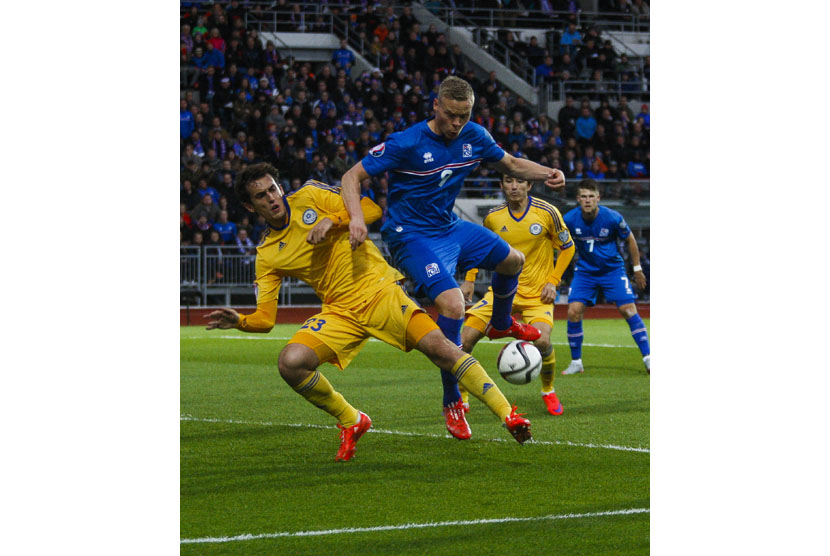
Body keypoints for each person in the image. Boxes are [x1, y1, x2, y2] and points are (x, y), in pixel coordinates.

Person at [206, 164, 533, 462]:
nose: (273, 198)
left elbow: (370, 208)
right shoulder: (267, 255)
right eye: (261, 196)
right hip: (340, 313)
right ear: (250, 207)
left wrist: (331, 219)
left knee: (442, 349)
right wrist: (241, 322)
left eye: (273, 188)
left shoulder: (311, 195)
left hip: (379, 291)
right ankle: (352, 420)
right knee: (291, 363)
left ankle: (508, 415)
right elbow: (265, 319)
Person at [340, 76, 566, 440]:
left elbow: (509, 164)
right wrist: (355, 218)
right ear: (435, 105)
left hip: (448, 227)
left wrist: (549, 173)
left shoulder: (474, 136)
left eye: (464, 116)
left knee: (513, 260)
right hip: (410, 235)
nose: (456, 123)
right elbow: (351, 177)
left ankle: (503, 321)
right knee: (453, 305)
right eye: (450, 115)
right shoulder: (406, 142)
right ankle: (452, 401)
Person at [459, 174, 575, 415]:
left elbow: (568, 247)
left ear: (529, 185)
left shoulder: (547, 212)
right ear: (501, 185)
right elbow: (479, 248)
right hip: (501, 292)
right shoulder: (493, 217)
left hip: (536, 295)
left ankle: (548, 390)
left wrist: (553, 281)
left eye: (520, 182)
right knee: (465, 340)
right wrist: (469, 280)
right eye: (509, 181)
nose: (514, 186)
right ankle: (462, 395)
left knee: (542, 340)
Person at [561, 179, 651, 374]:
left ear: (598, 198)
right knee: (573, 311)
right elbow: (558, 244)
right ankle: (576, 362)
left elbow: (630, 239)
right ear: (578, 199)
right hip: (585, 271)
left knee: (628, 310)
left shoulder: (612, 217)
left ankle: (649, 358)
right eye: (583, 197)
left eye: (591, 196)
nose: (587, 200)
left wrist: (637, 268)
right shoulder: (568, 219)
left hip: (612, 270)